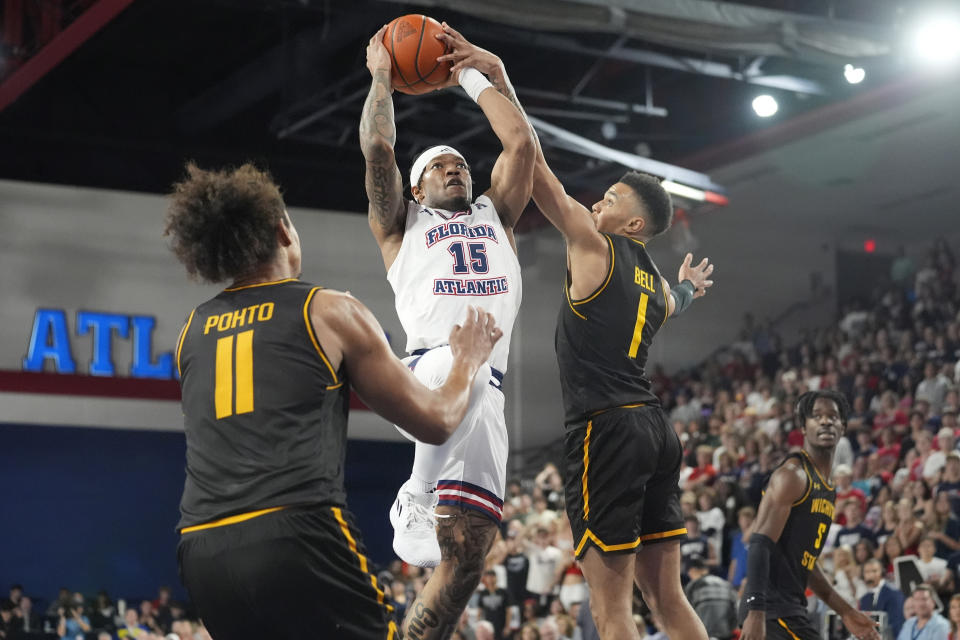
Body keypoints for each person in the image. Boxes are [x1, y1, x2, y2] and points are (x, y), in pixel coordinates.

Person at [435, 23, 714, 640]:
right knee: (667, 597)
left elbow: (532, 167)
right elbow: (677, 302)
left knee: (611, 606)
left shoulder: (596, 245)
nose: (598, 203)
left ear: (634, 224)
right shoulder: (655, 283)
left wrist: (490, 77)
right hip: (655, 430)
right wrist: (691, 288)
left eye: (611, 198)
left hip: (607, 429)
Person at [165, 162, 502, 640]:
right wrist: (467, 361)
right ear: (283, 231)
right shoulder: (325, 309)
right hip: (294, 533)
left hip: (201, 551)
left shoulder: (190, 331)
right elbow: (436, 421)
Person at [360, 22, 534, 640]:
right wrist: (383, 74)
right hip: (426, 371)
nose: (456, 170)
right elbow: (378, 151)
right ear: (415, 187)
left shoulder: (497, 215)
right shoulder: (400, 227)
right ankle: (418, 488)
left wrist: (476, 73)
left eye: (461, 164)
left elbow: (520, 148)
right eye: (440, 167)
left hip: (487, 389)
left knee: (468, 551)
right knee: (468, 370)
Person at [739, 390, 880, 640]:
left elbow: (805, 562)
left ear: (843, 427)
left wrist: (846, 612)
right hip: (770, 609)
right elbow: (759, 543)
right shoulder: (792, 475)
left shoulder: (827, 487)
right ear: (803, 427)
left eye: (833, 417)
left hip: (791, 608)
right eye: (817, 416)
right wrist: (756, 611)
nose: (825, 421)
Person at [685, 557, 739, 640]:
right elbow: (736, 610)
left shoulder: (692, 586)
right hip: (726, 635)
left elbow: (687, 616)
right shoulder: (726, 584)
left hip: (704, 635)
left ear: (691, 571)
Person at [859, 558, 905, 639]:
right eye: (867, 572)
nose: (870, 574)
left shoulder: (894, 594)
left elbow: (897, 625)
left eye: (874, 571)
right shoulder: (864, 599)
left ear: (882, 572)